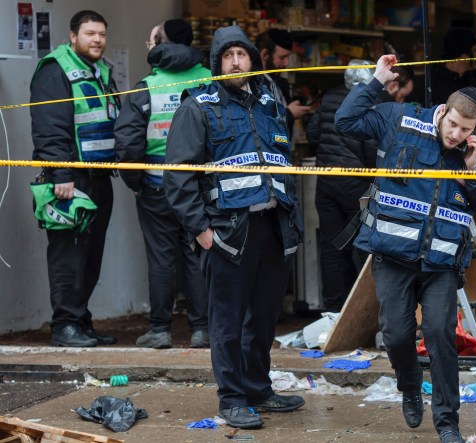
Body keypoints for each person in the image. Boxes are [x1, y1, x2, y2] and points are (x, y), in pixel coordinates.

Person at [335, 54, 476, 443]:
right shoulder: (399, 119)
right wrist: (376, 82)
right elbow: (346, 121)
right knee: (395, 334)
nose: (457, 134)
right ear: (443, 112)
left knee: (441, 335)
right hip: (393, 256)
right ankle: (410, 387)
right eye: (454, 125)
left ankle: (448, 423)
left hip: (442, 263)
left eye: (467, 129)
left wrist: (474, 169)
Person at [163, 25, 304, 429]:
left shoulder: (268, 103)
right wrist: (202, 231)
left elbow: (284, 165)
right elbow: (178, 178)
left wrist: (290, 221)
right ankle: (232, 399)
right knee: (226, 322)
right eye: (228, 56)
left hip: (272, 228)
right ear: (217, 63)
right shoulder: (197, 106)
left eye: (242, 54)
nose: (236, 62)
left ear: (252, 60)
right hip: (227, 232)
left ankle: (258, 388)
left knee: (263, 318)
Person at [114, 19, 211, 349]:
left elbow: (128, 145)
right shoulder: (212, 80)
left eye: (150, 40)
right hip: (200, 185)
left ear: (162, 45)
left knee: (161, 259)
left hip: (156, 187)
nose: (148, 45)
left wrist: (135, 183)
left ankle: (159, 330)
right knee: (198, 253)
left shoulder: (147, 86)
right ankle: (202, 330)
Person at [30, 10, 119, 347]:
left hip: (97, 177)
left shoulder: (98, 69)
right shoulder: (56, 69)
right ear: (72, 36)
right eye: (90, 33)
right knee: (68, 255)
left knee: (90, 255)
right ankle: (65, 325)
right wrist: (60, 173)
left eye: (101, 34)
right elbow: (50, 126)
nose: (97, 40)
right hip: (70, 180)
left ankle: (79, 321)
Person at [306, 61, 414, 311]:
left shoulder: (331, 96)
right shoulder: (374, 100)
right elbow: (371, 148)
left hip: (326, 182)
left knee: (333, 247)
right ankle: (361, 311)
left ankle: (333, 309)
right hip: (358, 185)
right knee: (364, 247)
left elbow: (313, 133)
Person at [255, 29, 311, 123]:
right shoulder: (252, 85)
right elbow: (259, 124)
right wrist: (289, 114)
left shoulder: (278, 82)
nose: (287, 63)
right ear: (265, 55)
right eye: (282, 57)